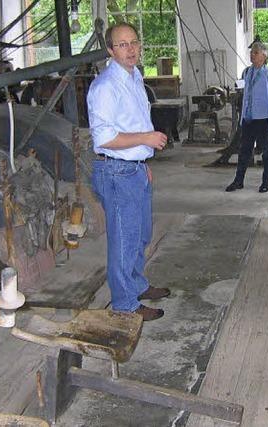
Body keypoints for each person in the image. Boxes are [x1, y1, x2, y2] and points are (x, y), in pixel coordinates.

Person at [87, 22, 169, 321]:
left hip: (133, 169)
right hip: (116, 172)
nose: (130, 49)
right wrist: (146, 140)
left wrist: (142, 162)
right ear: (110, 50)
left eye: (134, 42)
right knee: (123, 242)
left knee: (141, 234)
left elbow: (134, 123)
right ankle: (124, 305)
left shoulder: (133, 77)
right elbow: (104, 139)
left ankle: (136, 284)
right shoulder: (105, 87)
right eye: (122, 44)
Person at [225, 42, 268, 193]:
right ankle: (238, 181)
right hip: (249, 118)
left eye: (256, 52)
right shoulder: (247, 72)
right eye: (251, 52)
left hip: (263, 119)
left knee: (266, 151)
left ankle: (266, 182)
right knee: (244, 150)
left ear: (264, 56)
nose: (252, 55)